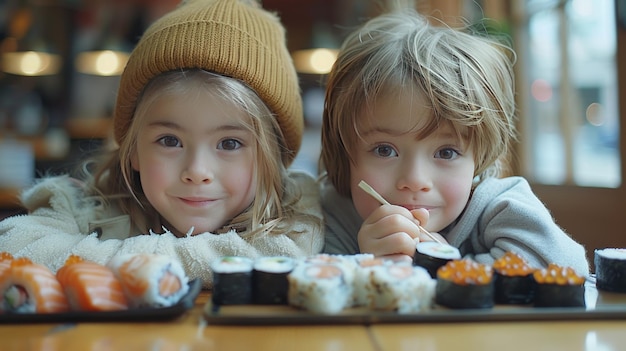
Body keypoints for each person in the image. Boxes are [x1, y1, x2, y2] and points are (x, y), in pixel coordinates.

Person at [0, 0, 324, 288]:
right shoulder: (80, 204)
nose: (197, 172)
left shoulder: (293, 210)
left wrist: (113, 261)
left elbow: (284, 253)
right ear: (133, 149)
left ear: (273, 155)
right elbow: (18, 246)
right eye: (170, 141)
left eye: (229, 143)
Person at [319, 8, 589, 275]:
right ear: (344, 150)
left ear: (479, 158)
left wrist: (447, 269)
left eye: (446, 152)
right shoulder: (333, 216)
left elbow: (566, 268)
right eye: (384, 150)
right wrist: (366, 265)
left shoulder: (500, 205)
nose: (414, 180)